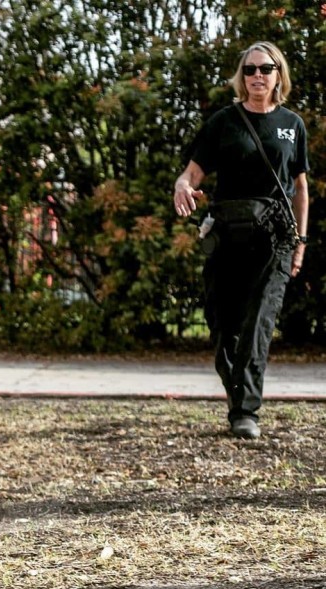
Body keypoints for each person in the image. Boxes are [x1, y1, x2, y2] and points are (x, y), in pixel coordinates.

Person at [174, 41, 309, 439]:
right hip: (228, 235)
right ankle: (239, 401)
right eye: (249, 70)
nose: (256, 77)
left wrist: (301, 241)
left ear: (277, 74)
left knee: (258, 323)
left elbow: (301, 189)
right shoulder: (224, 121)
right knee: (223, 324)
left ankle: (245, 411)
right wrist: (183, 186)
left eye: (265, 69)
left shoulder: (292, 124)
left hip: (276, 238)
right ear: (241, 75)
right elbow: (192, 173)